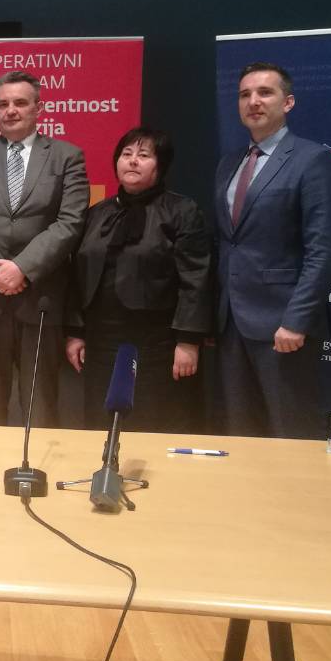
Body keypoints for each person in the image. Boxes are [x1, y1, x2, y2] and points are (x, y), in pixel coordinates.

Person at [0, 70, 89, 426]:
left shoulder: (67, 156)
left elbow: (70, 221)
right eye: (3, 104)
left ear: (38, 108)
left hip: (40, 299)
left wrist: (22, 268)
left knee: (40, 410)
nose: (10, 110)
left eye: (20, 103)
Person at [214, 62, 331, 439]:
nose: (253, 101)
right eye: (244, 94)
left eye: (265, 93)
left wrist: (297, 320)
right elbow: (229, 243)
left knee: (290, 433)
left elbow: (324, 249)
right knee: (241, 433)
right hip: (231, 324)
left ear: (288, 102)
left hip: (283, 325)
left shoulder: (314, 160)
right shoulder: (229, 164)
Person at [64, 127, 211, 432]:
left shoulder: (182, 211)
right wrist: (75, 332)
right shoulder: (96, 213)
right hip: (101, 338)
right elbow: (76, 276)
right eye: (126, 154)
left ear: (161, 165)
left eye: (143, 155)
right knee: (99, 420)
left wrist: (188, 340)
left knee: (151, 422)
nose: (132, 161)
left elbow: (196, 278)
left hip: (156, 341)